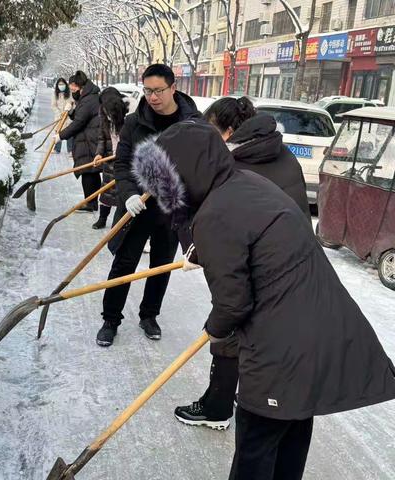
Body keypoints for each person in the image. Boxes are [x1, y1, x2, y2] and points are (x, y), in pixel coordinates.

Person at [132, 119, 395, 480]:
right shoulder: (247, 183)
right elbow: (254, 246)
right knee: (294, 428)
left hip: (282, 348)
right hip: (322, 326)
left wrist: (214, 329)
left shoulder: (215, 214)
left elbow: (233, 303)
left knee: (256, 446)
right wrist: (205, 252)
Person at [174, 96, 312, 430]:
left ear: (230, 131)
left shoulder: (234, 165)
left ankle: (219, 406)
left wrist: (200, 248)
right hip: (292, 264)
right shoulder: (281, 154)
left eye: (211, 133)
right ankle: (238, 399)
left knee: (228, 328)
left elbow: (216, 219)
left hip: (254, 265)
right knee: (253, 333)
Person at [96, 64, 199, 347]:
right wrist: (128, 194)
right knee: (124, 263)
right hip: (137, 208)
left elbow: (200, 166)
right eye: (148, 90)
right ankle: (110, 319)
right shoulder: (135, 122)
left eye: (158, 91)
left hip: (171, 209)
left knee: (161, 265)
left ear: (172, 88)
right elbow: (123, 163)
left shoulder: (192, 123)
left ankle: (149, 315)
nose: (152, 97)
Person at [56, 71, 101, 212]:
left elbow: (79, 123)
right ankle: (92, 202)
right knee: (91, 171)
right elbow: (79, 116)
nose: (72, 89)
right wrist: (71, 112)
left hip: (89, 139)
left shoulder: (88, 99)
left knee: (87, 170)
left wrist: (61, 135)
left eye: (73, 86)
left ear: (80, 85)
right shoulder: (86, 97)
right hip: (89, 137)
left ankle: (90, 203)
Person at [92, 87, 130, 230]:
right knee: (106, 193)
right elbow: (102, 139)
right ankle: (102, 219)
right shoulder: (104, 116)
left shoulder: (128, 120)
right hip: (109, 160)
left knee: (124, 193)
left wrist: (124, 153)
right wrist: (98, 154)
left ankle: (123, 224)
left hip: (125, 161)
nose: (107, 116)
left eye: (109, 113)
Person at [51, 78, 74, 154]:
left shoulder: (70, 94)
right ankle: (57, 149)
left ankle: (70, 150)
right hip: (59, 117)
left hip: (68, 117)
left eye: (63, 84)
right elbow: (53, 106)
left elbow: (73, 104)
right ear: (57, 85)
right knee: (58, 133)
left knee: (69, 133)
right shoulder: (55, 94)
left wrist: (69, 110)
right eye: (60, 84)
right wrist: (59, 113)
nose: (61, 86)